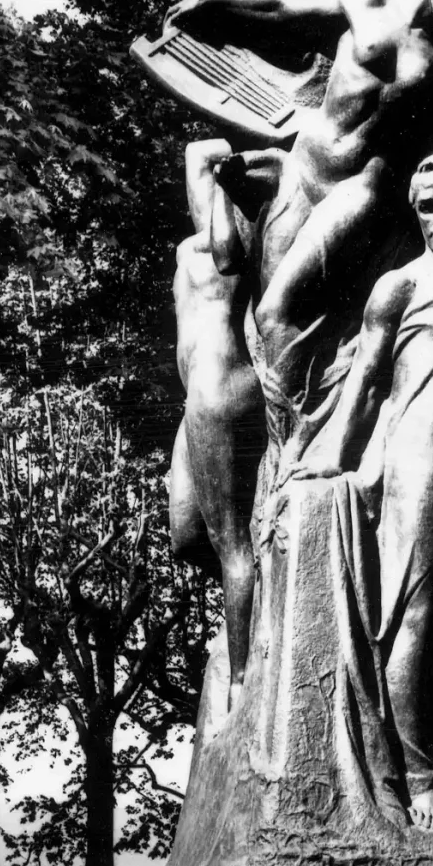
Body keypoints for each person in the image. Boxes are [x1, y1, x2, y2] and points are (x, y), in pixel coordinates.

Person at [160, 0, 433, 452]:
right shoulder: (366, 3)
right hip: (301, 172)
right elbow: (283, 10)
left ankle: (302, 439)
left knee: (277, 311)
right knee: (269, 313)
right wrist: (214, 1)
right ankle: (282, 439)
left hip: (359, 188)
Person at [292, 150, 433, 831]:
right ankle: (418, 777)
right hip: (415, 459)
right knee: (413, 613)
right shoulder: (399, 286)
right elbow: (362, 382)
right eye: (426, 208)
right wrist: (326, 457)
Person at [168, 139, 271, 693]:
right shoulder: (190, 246)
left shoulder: (239, 237)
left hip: (222, 390)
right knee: (186, 536)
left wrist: (228, 172)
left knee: (231, 546)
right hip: (195, 401)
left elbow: (228, 249)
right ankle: (260, 591)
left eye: (203, 178)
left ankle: (241, 682)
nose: (195, 185)